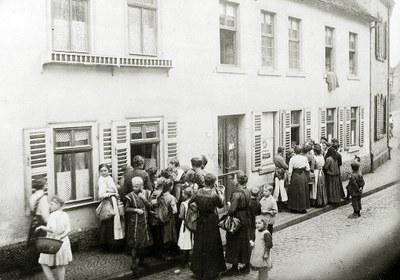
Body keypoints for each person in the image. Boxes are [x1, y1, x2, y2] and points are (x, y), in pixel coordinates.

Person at [190, 173, 226, 280]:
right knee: (212, 244)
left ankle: (198, 270)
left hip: (201, 220)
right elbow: (221, 204)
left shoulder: (197, 192)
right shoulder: (214, 195)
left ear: (204, 181)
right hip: (211, 221)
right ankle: (212, 271)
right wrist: (222, 194)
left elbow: (191, 203)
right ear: (214, 183)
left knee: (200, 244)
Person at [36, 196, 72, 280]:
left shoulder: (52, 215)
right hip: (63, 242)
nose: (49, 206)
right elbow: (68, 229)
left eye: (52, 204)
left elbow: (52, 229)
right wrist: (61, 237)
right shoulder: (65, 214)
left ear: (58, 205)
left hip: (52, 242)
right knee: (60, 265)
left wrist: (42, 227)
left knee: (43, 262)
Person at [223, 172, 252, 276]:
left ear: (238, 180)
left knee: (234, 241)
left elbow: (232, 210)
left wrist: (229, 206)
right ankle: (246, 265)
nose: (232, 180)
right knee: (244, 241)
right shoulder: (247, 190)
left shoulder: (236, 193)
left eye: (234, 179)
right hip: (245, 217)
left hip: (237, 218)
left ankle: (234, 267)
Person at [125, 177, 153, 274]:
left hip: (144, 221)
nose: (134, 188)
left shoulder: (147, 193)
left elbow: (150, 206)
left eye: (136, 186)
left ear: (142, 186)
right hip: (135, 223)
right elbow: (126, 209)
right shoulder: (129, 196)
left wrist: (144, 199)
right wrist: (135, 210)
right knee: (135, 243)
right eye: (133, 186)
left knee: (144, 243)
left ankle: (142, 261)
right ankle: (134, 263)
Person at [98, 164, 124, 251]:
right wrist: (112, 193)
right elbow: (101, 195)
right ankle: (109, 245)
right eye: (101, 171)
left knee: (114, 222)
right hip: (108, 202)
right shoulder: (101, 180)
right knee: (109, 223)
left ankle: (115, 244)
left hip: (113, 202)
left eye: (105, 170)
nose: (103, 172)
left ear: (108, 171)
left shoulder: (109, 178)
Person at [25, 179, 50, 272]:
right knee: (43, 242)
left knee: (33, 242)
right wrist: (49, 223)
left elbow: (31, 210)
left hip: (34, 221)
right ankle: (41, 264)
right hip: (41, 222)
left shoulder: (32, 196)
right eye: (45, 184)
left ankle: (30, 265)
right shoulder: (43, 197)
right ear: (43, 186)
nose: (46, 186)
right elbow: (45, 214)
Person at [157, 177, 178, 259]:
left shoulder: (160, 196)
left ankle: (163, 253)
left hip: (161, 218)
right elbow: (175, 210)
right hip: (169, 219)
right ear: (171, 187)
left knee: (163, 235)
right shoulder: (171, 197)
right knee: (169, 235)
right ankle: (168, 253)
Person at [287, 145, 311, 213]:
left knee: (294, 191)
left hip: (295, 175)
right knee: (303, 191)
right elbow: (308, 168)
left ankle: (294, 207)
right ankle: (303, 208)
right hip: (303, 175)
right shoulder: (304, 158)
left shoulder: (292, 159)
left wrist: (289, 179)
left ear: (294, 151)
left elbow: (290, 171)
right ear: (301, 151)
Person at [250, 216, 273, 280]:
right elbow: (255, 239)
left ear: (264, 224)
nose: (257, 225)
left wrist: (266, 253)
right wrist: (252, 242)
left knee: (263, 268)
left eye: (259, 223)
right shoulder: (256, 231)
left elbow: (269, 244)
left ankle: (264, 278)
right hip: (257, 252)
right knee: (260, 267)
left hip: (263, 253)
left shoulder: (266, 233)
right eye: (256, 223)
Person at [177, 187, 194, 268]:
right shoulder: (194, 203)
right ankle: (190, 260)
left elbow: (181, 215)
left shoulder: (183, 204)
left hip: (185, 225)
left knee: (184, 242)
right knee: (191, 241)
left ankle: (184, 262)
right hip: (192, 224)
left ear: (186, 195)